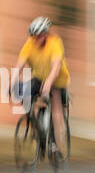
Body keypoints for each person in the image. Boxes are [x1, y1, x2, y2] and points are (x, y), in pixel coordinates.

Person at [13, 16, 70, 160]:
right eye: (34, 36)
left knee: (56, 108)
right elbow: (18, 65)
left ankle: (55, 146)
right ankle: (37, 128)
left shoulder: (55, 43)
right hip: (39, 78)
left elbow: (56, 66)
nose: (36, 39)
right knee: (22, 93)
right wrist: (11, 83)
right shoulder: (29, 44)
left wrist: (49, 82)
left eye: (39, 36)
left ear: (45, 34)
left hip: (57, 79)